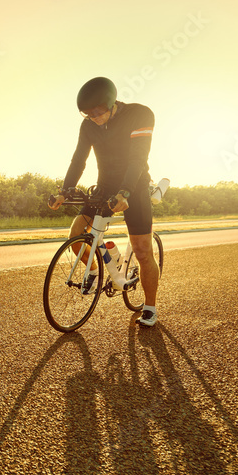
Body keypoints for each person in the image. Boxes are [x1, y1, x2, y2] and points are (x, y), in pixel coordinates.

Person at [48, 76, 160, 327]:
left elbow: (138, 159)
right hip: (104, 187)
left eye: (97, 111)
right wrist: (65, 190)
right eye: (86, 114)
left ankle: (150, 307)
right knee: (76, 233)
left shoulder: (140, 114)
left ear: (111, 103)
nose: (93, 117)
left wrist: (126, 193)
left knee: (142, 251)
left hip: (135, 185)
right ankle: (96, 271)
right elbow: (79, 159)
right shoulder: (89, 125)